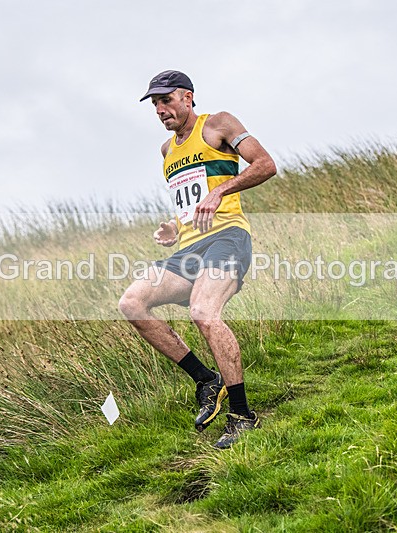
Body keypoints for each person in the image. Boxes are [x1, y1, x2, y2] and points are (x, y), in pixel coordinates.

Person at [119, 70, 276, 449]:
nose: (160, 109)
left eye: (166, 100)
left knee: (203, 312)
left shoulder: (218, 124)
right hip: (189, 248)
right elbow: (191, 202)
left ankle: (242, 414)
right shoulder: (166, 150)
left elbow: (265, 164)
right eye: (155, 104)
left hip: (228, 238)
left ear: (187, 97)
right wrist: (174, 227)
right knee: (132, 303)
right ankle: (206, 380)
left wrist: (221, 192)